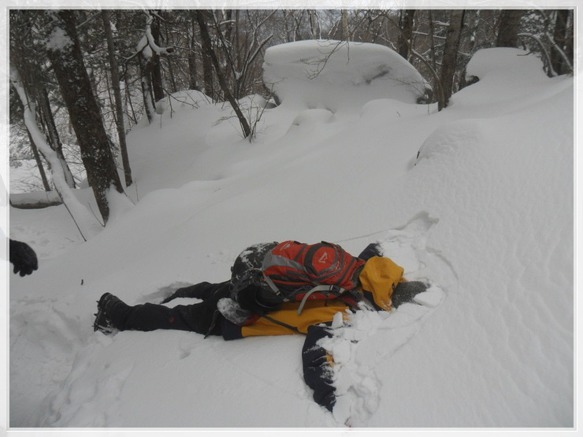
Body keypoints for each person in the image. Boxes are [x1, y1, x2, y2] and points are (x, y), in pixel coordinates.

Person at [93, 240, 428, 412]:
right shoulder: (340, 310)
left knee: (215, 289)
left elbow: (374, 251)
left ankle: (179, 291)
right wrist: (329, 398)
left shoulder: (357, 267)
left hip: (255, 284)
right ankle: (117, 314)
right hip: (247, 316)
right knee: (180, 318)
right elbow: (316, 353)